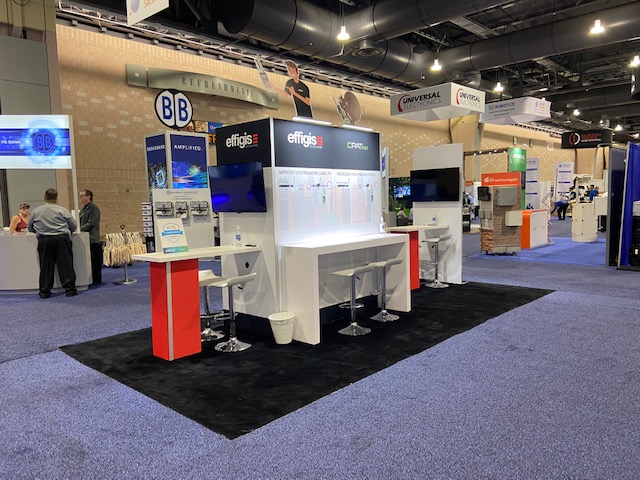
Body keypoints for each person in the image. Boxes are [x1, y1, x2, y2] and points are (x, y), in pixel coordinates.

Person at [27, 188, 78, 298]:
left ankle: (44, 291)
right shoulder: (63, 210)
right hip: (62, 239)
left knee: (45, 266)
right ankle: (70, 290)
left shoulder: (36, 211)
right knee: (66, 265)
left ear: (45, 197)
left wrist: (40, 231)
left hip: (44, 240)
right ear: (56, 198)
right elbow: (73, 226)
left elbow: (30, 227)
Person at [79, 189, 102, 285]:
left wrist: (79, 229)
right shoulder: (83, 209)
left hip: (92, 239)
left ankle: (96, 280)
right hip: (85, 238)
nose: (80, 198)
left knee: (95, 261)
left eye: (82, 196)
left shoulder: (93, 208)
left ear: (88, 197)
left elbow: (92, 223)